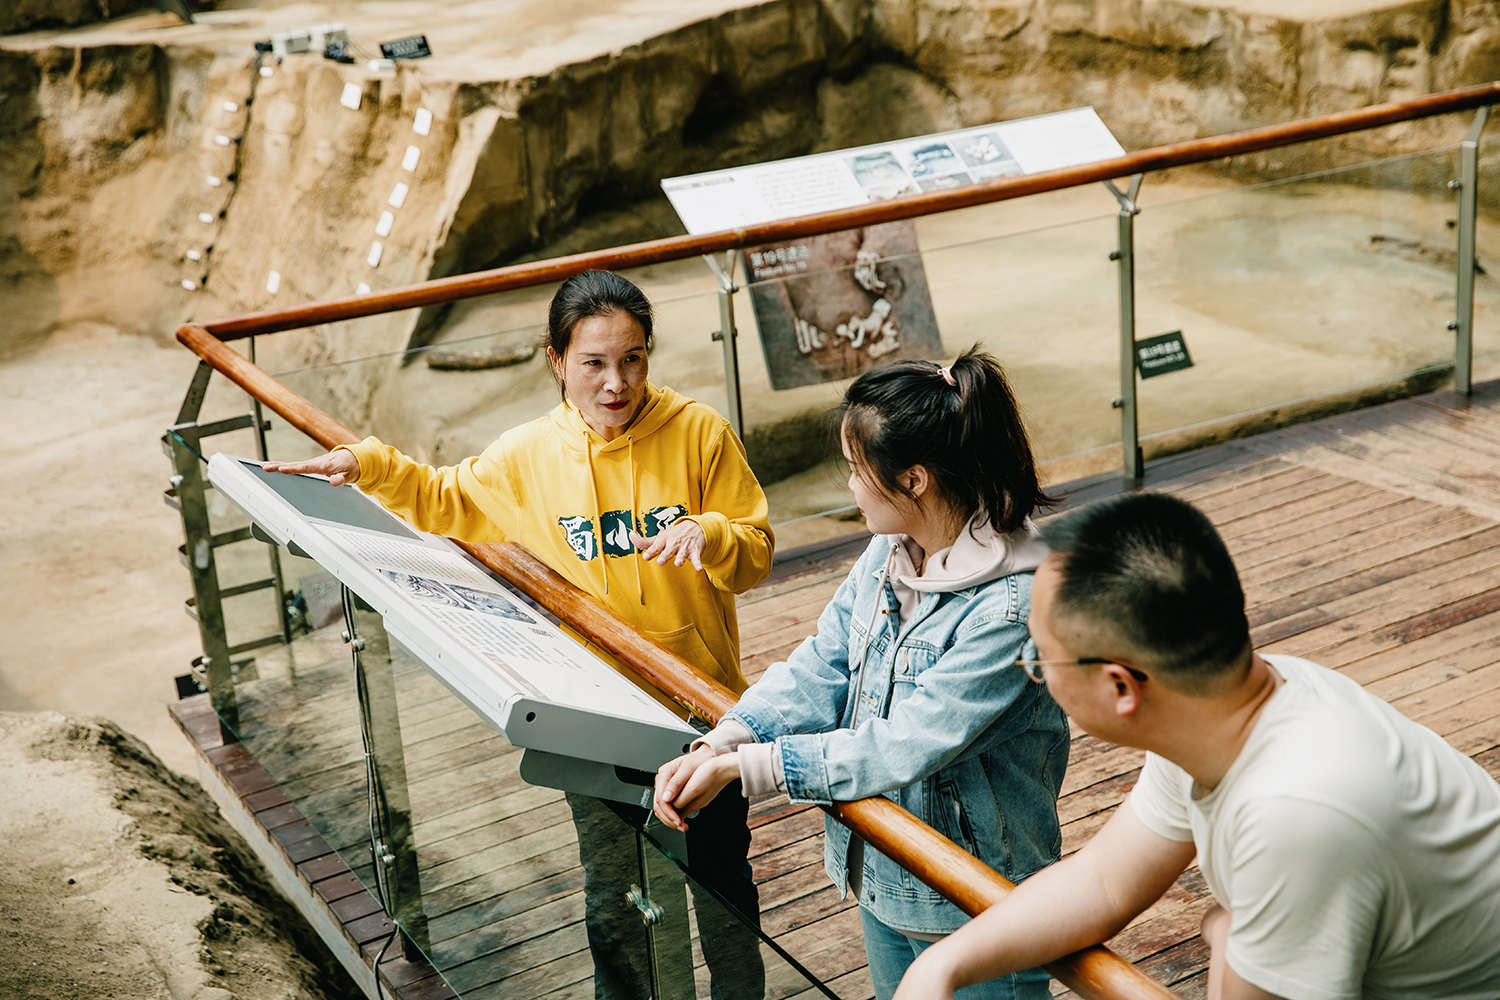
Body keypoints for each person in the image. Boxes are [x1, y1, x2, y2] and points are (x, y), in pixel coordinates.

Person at [264, 269, 771, 1000]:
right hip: (598, 719)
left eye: (632, 359)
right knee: (615, 893)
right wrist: (363, 462)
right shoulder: (528, 454)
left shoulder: (700, 434)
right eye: (594, 363)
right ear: (557, 360)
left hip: (701, 715)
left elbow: (755, 555)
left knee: (722, 887)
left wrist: (713, 533)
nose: (616, 383)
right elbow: (441, 497)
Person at [893, 492, 1500, 1000]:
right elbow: (1105, 881)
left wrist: (1227, 944)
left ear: (1120, 686)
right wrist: (943, 964)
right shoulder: (1225, 705)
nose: (1037, 673)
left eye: (1040, 657)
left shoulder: (1297, 812)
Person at [653, 349, 1070, 1000]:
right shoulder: (891, 547)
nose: (849, 485)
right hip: (884, 868)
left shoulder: (1012, 606)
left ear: (914, 480)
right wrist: (725, 739)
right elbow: (825, 660)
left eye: (856, 468)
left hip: (978, 900)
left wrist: (747, 768)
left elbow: (905, 743)